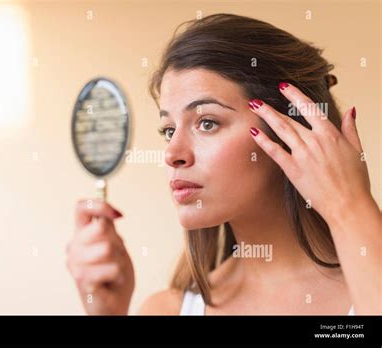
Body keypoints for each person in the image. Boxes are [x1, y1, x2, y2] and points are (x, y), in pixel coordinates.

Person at [66, 13, 381, 315]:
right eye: (168, 130)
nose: (172, 153)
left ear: (291, 130)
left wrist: (349, 205)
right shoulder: (166, 311)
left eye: (206, 123)